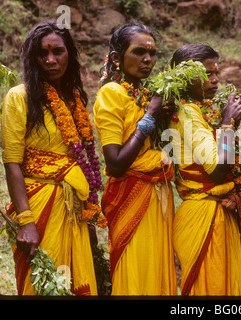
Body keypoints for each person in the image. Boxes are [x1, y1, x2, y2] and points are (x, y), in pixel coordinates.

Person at [1, 21, 100, 295]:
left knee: (75, 284)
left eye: (58, 51)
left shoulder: (76, 100)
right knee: (44, 288)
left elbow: (85, 161)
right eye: (42, 53)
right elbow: (12, 163)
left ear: (70, 54)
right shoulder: (18, 97)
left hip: (74, 211)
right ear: (32, 57)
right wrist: (26, 220)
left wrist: (89, 216)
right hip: (38, 206)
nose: (50, 60)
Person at [93, 23, 177, 295]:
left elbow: (169, 150)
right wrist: (150, 117)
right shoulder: (111, 94)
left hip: (159, 196)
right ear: (117, 58)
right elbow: (115, 163)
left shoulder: (148, 95)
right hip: (131, 197)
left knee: (157, 271)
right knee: (138, 273)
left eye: (152, 54)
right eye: (138, 52)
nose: (148, 59)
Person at [168, 44, 241, 295]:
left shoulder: (198, 111)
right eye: (207, 74)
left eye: (216, 73)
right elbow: (216, 170)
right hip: (202, 214)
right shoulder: (187, 113)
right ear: (184, 76)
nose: (215, 80)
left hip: (214, 210)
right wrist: (227, 122)